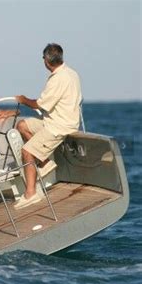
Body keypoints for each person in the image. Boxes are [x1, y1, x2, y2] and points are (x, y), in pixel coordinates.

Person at [14, 43, 82, 209]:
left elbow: (40, 105)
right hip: (53, 121)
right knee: (22, 125)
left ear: (47, 61)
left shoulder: (58, 79)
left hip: (59, 126)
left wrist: (23, 100)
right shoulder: (71, 73)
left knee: (27, 151)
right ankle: (44, 161)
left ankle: (31, 194)